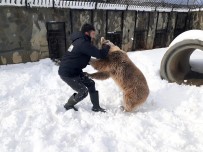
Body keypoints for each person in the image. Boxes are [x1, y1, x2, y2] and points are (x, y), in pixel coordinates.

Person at [58, 23, 110, 112]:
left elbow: (81, 56)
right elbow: (100, 54)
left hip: (75, 71)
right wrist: (107, 46)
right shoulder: (83, 43)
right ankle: (68, 105)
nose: (94, 35)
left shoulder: (81, 41)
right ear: (87, 33)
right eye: (93, 33)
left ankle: (96, 107)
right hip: (67, 73)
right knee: (83, 91)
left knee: (90, 83)